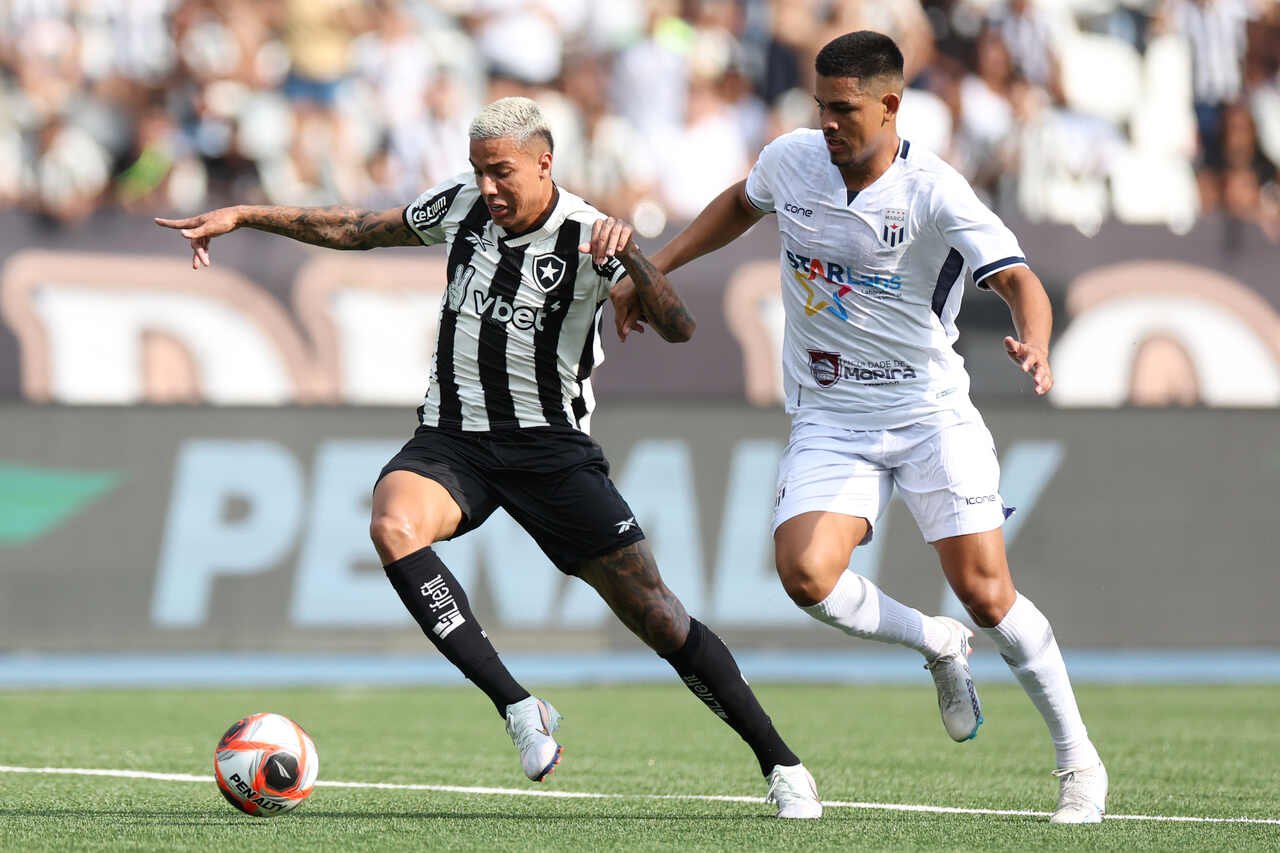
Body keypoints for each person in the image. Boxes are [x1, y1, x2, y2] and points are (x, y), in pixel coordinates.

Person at [156, 96, 822, 820]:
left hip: (551, 450)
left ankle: (782, 764)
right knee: (392, 525)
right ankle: (518, 705)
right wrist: (246, 214)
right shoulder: (463, 208)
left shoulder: (586, 238)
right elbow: (358, 228)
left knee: (659, 617)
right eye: (479, 172)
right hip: (455, 437)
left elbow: (680, 326)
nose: (490, 188)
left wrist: (632, 254)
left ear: (544, 162)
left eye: (501, 172)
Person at [613, 32, 1107, 824]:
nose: (830, 124)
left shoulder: (933, 191)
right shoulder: (793, 161)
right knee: (806, 574)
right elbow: (741, 204)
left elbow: (1019, 279)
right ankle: (934, 642)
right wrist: (656, 267)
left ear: (891, 105)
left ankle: (1078, 760)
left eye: (846, 110)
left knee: (986, 591)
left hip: (927, 411)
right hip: (832, 412)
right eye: (822, 107)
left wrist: (1036, 342)